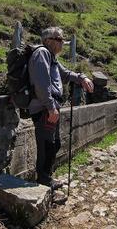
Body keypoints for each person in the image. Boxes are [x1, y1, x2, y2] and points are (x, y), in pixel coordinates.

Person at [28, 27, 94, 189]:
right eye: (59, 40)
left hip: (51, 108)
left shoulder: (52, 58)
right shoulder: (42, 54)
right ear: (49, 40)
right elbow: (41, 84)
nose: (62, 43)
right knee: (47, 144)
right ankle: (43, 179)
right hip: (45, 108)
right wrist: (51, 107)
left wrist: (82, 77)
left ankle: (46, 176)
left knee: (54, 143)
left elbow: (65, 74)